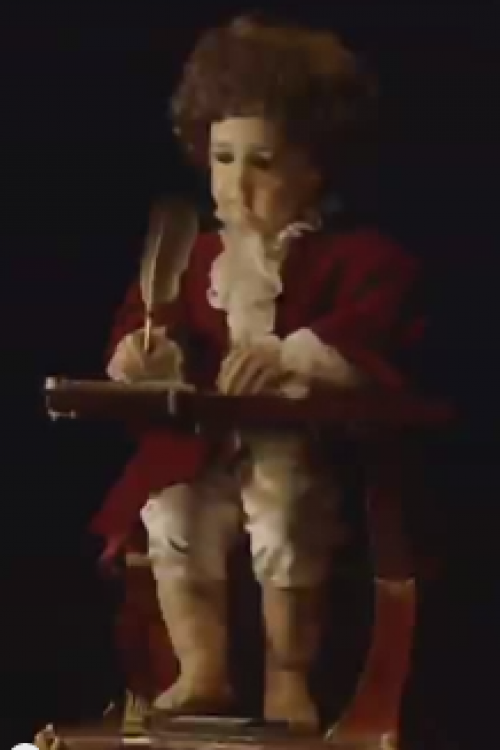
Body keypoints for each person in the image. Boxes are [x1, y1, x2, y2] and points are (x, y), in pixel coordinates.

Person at [90, 14, 424, 731]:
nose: (237, 184)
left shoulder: (358, 259)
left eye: (262, 163)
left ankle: (287, 678)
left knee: (285, 518)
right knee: (174, 513)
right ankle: (201, 670)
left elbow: (373, 333)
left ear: (315, 167)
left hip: (306, 451)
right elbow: (147, 324)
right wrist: (147, 358)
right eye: (223, 159)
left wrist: (292, 357)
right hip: (202, 451)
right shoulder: (198, 260)